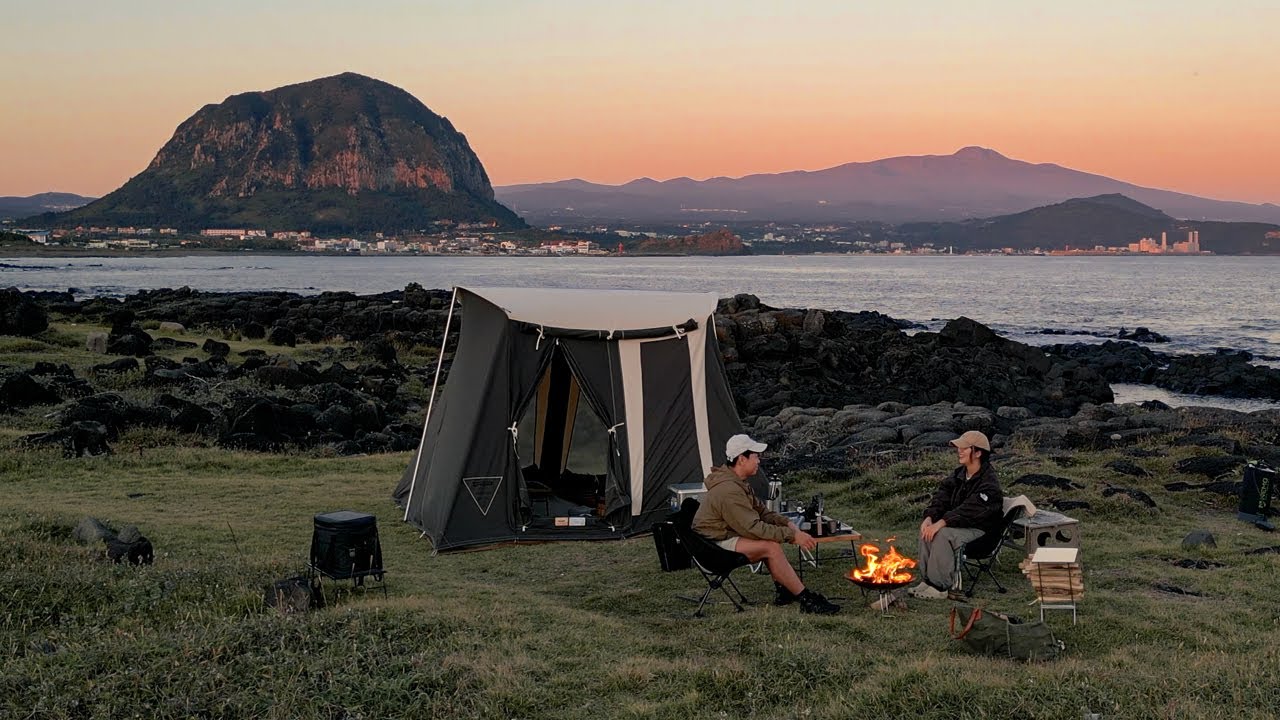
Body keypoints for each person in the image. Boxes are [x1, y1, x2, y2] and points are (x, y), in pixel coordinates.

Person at [692, 433, 841, 614]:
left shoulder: (737, 482)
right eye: (755, 456)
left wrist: (787, 523)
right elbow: (753, 528)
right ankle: (807, 600)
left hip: (724, 533)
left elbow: (762, 512)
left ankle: (786, 590)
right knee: (770, 547)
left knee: (770, 543)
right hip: (712, 545)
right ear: (741, 459)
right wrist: (792, 536)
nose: (759, 461)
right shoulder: (729, 490)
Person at [908, 430, 1004, 600]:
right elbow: (942, 496)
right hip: (959, 525)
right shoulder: (959, 474)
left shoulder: (989, 483)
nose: (959, 451)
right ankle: (928, 580)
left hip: (981, 532)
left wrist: (942, 522)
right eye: (959, 447)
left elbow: (970, 510)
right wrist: (930, 517)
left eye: (964, 448)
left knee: (943, 534)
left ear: (978, 452)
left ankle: (940, 587)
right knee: (928, 529)